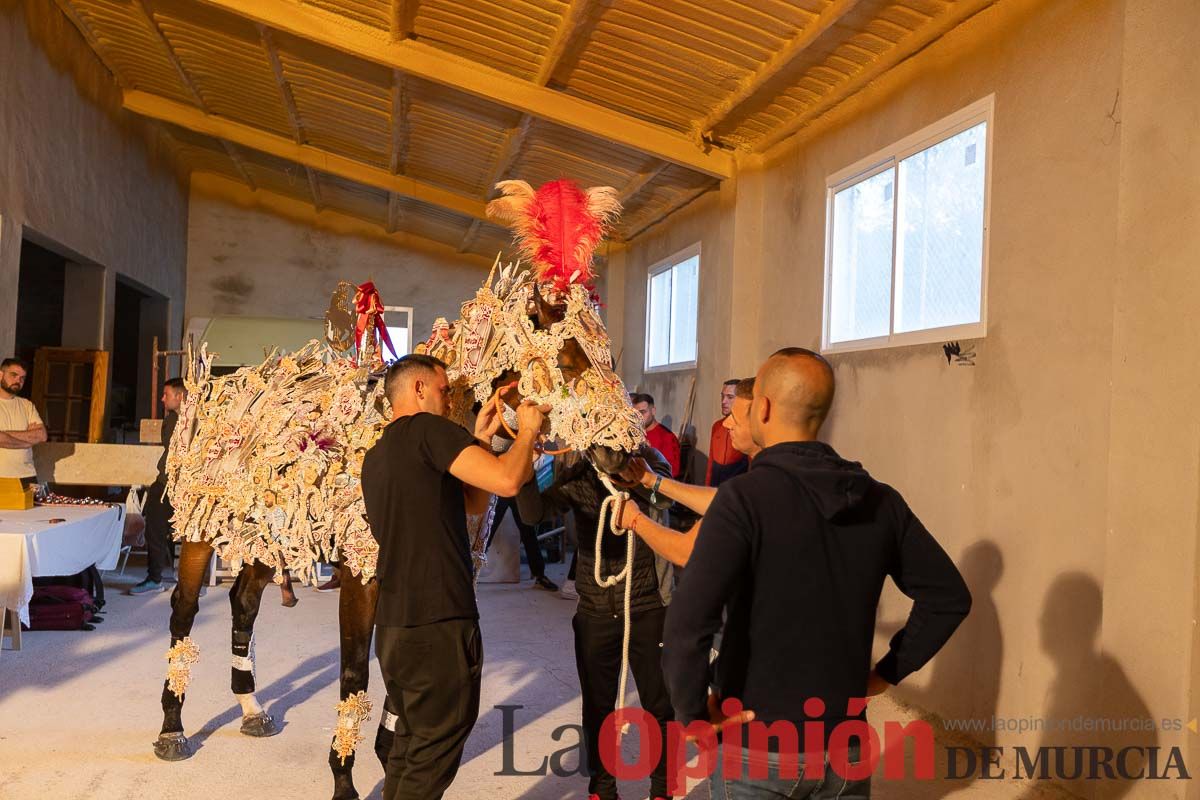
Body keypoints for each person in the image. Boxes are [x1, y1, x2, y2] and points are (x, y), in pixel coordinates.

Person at [663, 348, 972, 797]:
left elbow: (689, 622)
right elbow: (948, 598)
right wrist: (884, 674)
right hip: (845, 750)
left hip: (757, 747)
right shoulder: (881, 500)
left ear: (763, 408)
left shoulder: (743, 500)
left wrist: (691, 714)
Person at [361, 354, 546, 800]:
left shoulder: (378, 455)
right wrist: (528, 430)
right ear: (419, 389)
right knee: (435, 750)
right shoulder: (431, 431)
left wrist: (477, 441)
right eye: (444, 391)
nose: (449, 400)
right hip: (437, 622)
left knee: (412, 747)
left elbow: (473, 502)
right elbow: (506, 483)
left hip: (394, 628)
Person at [517, 446, 677, 800]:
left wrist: (623, 458)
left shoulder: (648, 457)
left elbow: (665, 497)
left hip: (647, 602)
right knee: (598, 705)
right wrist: (525, 473)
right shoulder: (574, 469)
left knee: (660, 703)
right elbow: (533, 514)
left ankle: (664, 789)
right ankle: (602, 789)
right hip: (595, 604)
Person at [617, 377, 761, 567]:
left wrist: (635, 519)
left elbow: (685, 551)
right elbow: (719, 499)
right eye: (722, 397)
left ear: (763, 414)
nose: (727, 424)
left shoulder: (761, 482)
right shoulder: (752, 481)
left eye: (736, 416)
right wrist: (650, 479)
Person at [131, 378, 186, 595]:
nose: (163, 398)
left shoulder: (199, 420)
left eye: (166, 394)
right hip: (164, 483)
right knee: (154, 528)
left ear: (180, 396)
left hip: (188, 487)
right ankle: (154, 578)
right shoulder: (170, 419)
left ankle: (190, 582)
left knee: (190, 534)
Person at [485, 495, 557, 592]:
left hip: (515, 491)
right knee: (487, 532)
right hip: (501, 488)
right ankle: (469, 570)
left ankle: (539, 576)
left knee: (528, 533)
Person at [0, 358, 47, 488]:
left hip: (27, 475)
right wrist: (28, 440)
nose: (18, 381)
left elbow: (41, 436)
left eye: (22, 378)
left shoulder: (27, 405)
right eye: (14, 375)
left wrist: (5, 435)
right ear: (0, 375)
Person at [706, 379, 748, 487]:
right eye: (722, 396)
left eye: (730, 397)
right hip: (714, 488)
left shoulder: (747, 429)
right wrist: (706, 487)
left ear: (740, 400)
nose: (723, 401)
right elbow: (710, 464)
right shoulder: (717, 426)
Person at [631, 393, 681, 478]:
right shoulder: (635, 434)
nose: (639, 417)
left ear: (653, 411)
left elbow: (672, 472)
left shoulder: (667, 437)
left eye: (643, 412)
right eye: (636, 414)